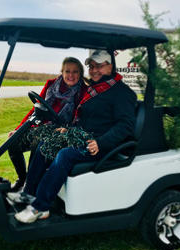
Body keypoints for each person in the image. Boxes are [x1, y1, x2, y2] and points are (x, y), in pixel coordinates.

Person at [9, 50, 137, 223]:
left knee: (65, 154)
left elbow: (125, 125)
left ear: (110, 66)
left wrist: (101, 142)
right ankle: (29, 194)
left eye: (99, 66)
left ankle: (41, 206)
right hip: (83, 135)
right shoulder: (96, 88)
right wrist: (68, 131)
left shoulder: (122, 93)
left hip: (101, 143)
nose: (94, 70)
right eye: (91, 66)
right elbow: (86, 119)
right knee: (45, 144)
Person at [8, 57, 87, 191]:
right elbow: (36, 109)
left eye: (75, 72)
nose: (71, 75)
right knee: (13, 142)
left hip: (63, 130)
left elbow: (81, 117)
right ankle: (22, 179)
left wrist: (69, 129)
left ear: (80, 74)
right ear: (62, 72)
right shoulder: (51, 84)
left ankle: (30, 185)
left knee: (38, 143)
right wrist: (18, 129)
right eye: (67, 71)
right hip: (43, 127)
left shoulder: (83, 91)